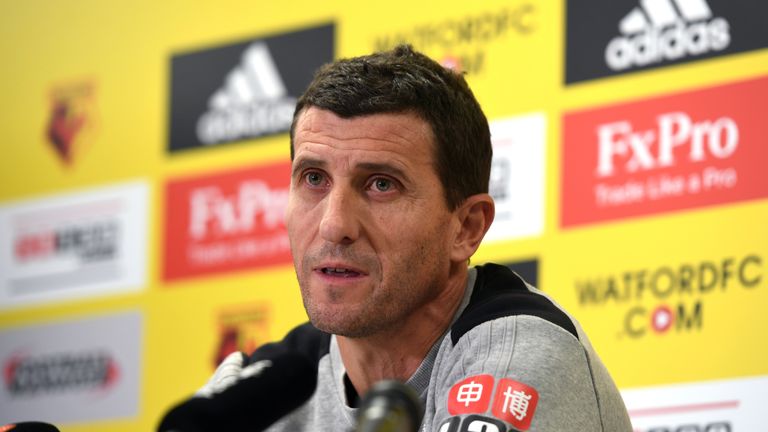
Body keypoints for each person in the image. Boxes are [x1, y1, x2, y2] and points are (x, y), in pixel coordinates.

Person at [202, 45, 632, 431]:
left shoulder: (518, 354)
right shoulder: (254, 392)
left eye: (381, 185)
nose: (334, 225)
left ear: (466, 228)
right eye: (314, 178)